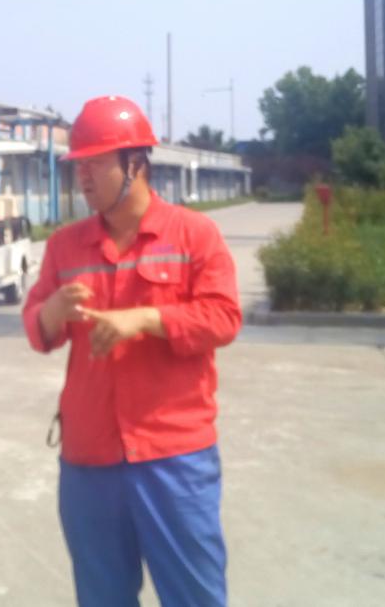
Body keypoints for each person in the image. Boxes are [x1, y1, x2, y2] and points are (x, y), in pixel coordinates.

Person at [22, 95, 242, 607]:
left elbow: (224, 317)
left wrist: (146, 318)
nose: (82, 176)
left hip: (173, 456)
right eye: (78, 165)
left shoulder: (194, 235)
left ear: (135, 163)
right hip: (89, 458)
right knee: (102, 596)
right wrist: (52, 310)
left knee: (194, 595)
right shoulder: (65, 246)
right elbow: (37, 330)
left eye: (95, 163)